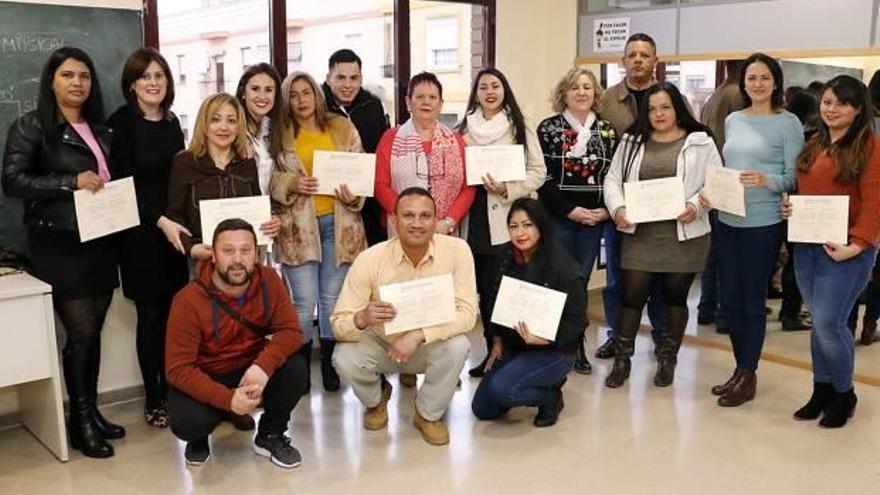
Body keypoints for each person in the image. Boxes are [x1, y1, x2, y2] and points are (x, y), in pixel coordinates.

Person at [3, 47, 122, 458]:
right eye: (68, 75)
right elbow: (13, 181)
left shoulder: (101, 129)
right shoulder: (32, 127)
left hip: (101, 239)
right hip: (59, 244)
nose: (77, 83)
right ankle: (81, 420)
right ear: (51, 80)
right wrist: (70, 180)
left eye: (85, 76)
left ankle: (91, 410)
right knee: (82, 332)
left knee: (94, 331)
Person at [330, 187, 476, 446]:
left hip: (427, 344)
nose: (417, 224)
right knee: (344, 358)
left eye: (425, 216)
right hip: (382, 345)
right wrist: (362, 318)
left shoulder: (457, 250)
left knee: (459, 345)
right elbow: (339, 324)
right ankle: (377, 400)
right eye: (408, 216)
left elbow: (467, 314)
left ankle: (427, 414)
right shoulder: (370, 259)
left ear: (435, 219)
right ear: (393, 221)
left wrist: (418, 335)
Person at [165, 218, 308, 467]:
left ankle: (270, 434)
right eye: (228, 251)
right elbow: (177, 369)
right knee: (187, 421)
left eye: (245, 250)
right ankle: (199, 438)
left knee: (296, 369)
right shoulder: (187, 300)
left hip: (250, 368)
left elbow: (292, 331)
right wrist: (227, 400)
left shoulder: (269, 280)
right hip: (209, 374)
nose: (237, 259)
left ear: (256, 253)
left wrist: (263, 366)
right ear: (213, 256)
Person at [603, 83, 720, 388]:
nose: (658, 114)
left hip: (684, 235)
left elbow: (714, 182)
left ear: (677, 107)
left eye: (665, 107)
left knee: (674, 299)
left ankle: (667, 359)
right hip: (640, 234)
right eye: (652, 109)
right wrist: (617, 209)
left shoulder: (701, 140)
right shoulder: (631, 140)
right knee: (631, 298)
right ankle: (622, 360)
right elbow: (612, 180)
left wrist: (695, 205)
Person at [783, 76, 880, 428]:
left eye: (841, 103)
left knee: (829, 324)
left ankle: (844, 392)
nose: (831, 109)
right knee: (819, 326)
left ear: (857, 109)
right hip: (808, 248)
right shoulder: (813, 144)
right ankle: (821, 390)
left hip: (847, 252)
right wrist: (790, 208)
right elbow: (805, 192)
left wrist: (856, 246)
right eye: (826, 101)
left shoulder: (869, 147)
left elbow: (874, 205)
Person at [709, 53, 804, 407]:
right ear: (742, 82)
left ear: (775, 82)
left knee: (751, 301)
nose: (758, 84)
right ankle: (738, 368)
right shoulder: (733, 119)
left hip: (763, 223)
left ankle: (748, 373)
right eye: (751, 78)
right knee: (729, 300)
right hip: (728, 219)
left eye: (765, 77)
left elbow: (795, 176)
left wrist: (768, 180)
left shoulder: (787, 122)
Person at [107, 47, 189, 428]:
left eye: (159, 75)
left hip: (174, 233)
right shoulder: (120, 124)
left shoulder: (173, 123)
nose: (153, 83)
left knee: (175, 315)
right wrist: (159, 221)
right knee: (150, 316)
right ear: (132, 84)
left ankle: (174, 390)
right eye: (145, 77)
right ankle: (154, 399)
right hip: (140, 233)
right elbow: (121, 187)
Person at [271, 70, 367, 392]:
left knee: (331, 301)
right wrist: (292, 183)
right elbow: (268, 179)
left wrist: (356, 195)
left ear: (317, 94)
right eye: (294, 95)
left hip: (340, 226)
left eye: (306, 93)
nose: (301, 100)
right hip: (298, 229)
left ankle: (329, 365)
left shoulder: (340, 126)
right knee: (303, 301)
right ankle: (298, 371)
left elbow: (360, 169)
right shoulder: (278, 133)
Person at [456, 67, 546, 377]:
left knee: (507, 290)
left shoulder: (520, 125)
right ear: (476, 93)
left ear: (504, 89)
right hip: (474, 218)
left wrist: (508, 189)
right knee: (484, 290)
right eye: (483, 87)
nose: (490, 92)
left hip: (508, 219)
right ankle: (493, 348)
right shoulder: (463, 129)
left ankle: (510, 351)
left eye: (495, 85)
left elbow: (538, 171)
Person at [471, 198, 585, 427]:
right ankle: (521, 383)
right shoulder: (501, 258)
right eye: (513, 226)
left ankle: (550, 396)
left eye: (527, 225)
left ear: (541, 226)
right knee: (483, 409)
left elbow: (577, 322)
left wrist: (544, 338)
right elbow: (492, 303)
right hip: (516, 345)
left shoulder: (564, 266)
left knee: (502, 389)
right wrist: (496, 340)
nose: (520, 232)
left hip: (554, 350)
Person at [536, 66, 617, 374]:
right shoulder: (547, 129)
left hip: (594, 221)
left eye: (587, 87)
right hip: (558, 218)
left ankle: (576, 342)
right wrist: (568, 210)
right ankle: (553, 344)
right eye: (574, 87)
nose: (581, 92)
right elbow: (541, 177)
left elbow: (615, 176)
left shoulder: (608, 131)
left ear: (595, 94)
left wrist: (605, 211)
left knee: (580, 283)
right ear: (563, 94)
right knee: (556, 281)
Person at [597, 32, 666, 360]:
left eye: (644, 55)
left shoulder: (669, 97)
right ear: (623, 61)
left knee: (657, 276)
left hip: (660, 204)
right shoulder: (607, 101)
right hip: (620, 202)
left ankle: (662, 335)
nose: (638, 60)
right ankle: (616, 335)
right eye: (632, 55)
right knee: (616, 279)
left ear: (655, 60)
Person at [165, 92, 280, 261]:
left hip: (245, 259)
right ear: (204, 124)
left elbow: (257, 208)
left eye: (231, 121)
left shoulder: (247, 163)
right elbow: (175, 215)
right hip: (203, 259)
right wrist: (191, 248)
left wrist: (271, 222)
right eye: (215, 119)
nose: (224, 127)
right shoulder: (185, 162)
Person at [374, 72, 476, 238]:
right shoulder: (390, 139)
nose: (426, 102)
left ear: (440, 103)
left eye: (432, 97)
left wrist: (449, 221)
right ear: (408, 102)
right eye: (420, 96)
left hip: (445, 231)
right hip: (403, 229)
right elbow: (380, 185)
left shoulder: (456, 141)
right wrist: (407, 216)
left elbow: (468, 187)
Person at [323, 48, 390, 246]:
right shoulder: (317, 106)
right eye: (340, 78)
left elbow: (381, 153)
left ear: (361, 79)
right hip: (330, 203)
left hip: (369, 203)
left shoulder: (373, 106)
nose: (347, 85)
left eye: (353, 78)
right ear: (328, 78)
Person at [697, 59, 744, 333]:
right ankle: (725, 314)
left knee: (713, 251)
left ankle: (706, 308)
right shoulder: (736, 94)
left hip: (712, 177)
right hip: (729, 179)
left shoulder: (716, 93)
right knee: (727, 252)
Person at [235, 63, 285, 195]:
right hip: (237, 210)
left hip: (267, 210)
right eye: (255, 89)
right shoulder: (231, 130)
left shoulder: (275, 128)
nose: (262, 96)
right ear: (243, 92)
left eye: (268, 90)